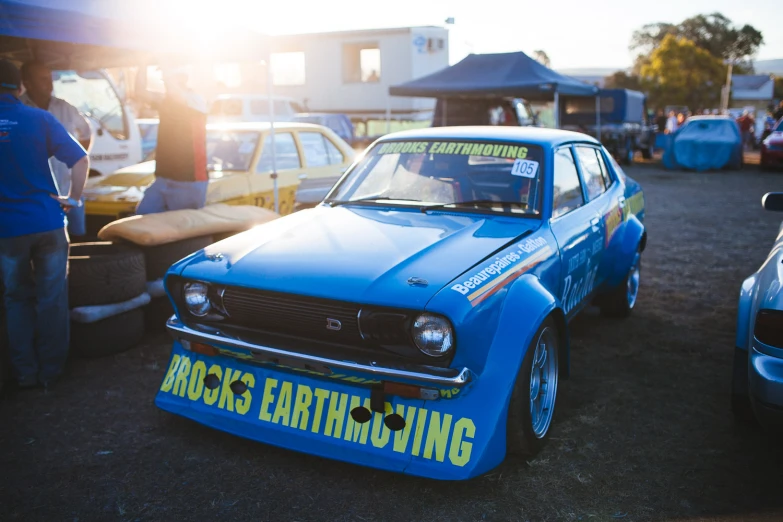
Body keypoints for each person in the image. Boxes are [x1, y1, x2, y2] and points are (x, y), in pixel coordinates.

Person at [0, 59, 89, 389]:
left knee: (16, 297)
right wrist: (73, 198)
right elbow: (80, 158)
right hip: (47, 221)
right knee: (52, 297)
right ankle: (52, 372)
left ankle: (26, 373)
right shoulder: (39, 118)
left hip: (7, 229)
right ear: (20, 87)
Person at [19, 61, 92, 240]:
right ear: (27, 83)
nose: (50, 84)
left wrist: (77, 158)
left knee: (77, 239)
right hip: (36, 195)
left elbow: (86, 133)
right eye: (43, 79)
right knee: (46, 244)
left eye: (50, 79)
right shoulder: (19, 110)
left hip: (68, 186)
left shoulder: (64, 107)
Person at [134, 64, 208, 214]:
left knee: (182, 228)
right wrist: (142, 64)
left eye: (167, 81)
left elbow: (176, 95)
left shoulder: (195, 100)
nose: (165, 84)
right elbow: (140, 92)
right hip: (164, 177)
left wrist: (166, 70)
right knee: (144, 215)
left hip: (188, 180)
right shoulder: (166, 101)